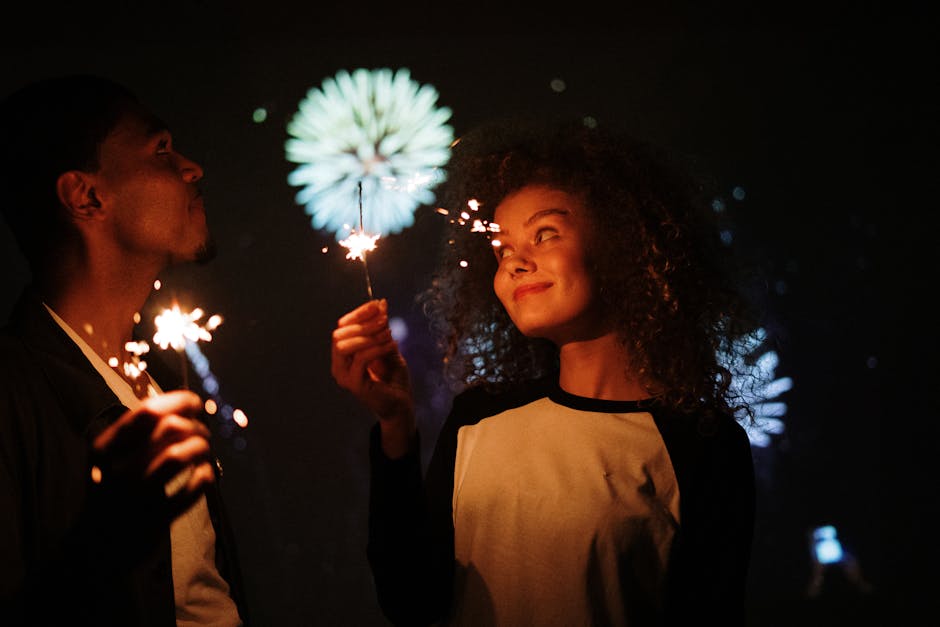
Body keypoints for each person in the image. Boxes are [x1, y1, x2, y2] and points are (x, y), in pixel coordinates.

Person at [331, 115, 760, 626]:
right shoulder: (477, 418)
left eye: (545, 234)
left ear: (622, 243)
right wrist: (396, 425)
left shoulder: (702, 444)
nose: (514, 263)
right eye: (502, 248)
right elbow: (411, 601)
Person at [0, 74, 248, 625]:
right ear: (86, 196)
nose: (192, 167)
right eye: (161, 150)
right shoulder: (11, 397)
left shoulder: (160, 383)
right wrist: (110, 534)